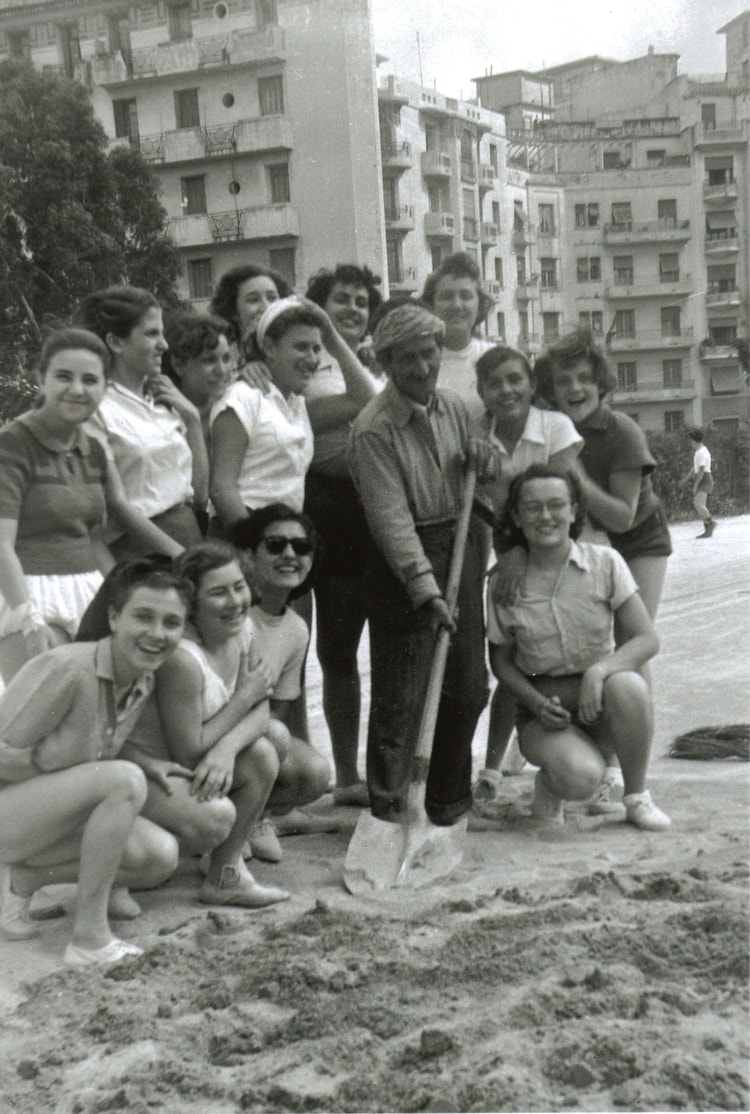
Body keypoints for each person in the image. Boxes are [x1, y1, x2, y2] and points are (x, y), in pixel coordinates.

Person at [349, 303, 499, 826]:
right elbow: (390, 521)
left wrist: (485, 456)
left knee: (469, 686)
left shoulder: (456, 407)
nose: (420, 367)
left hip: (460, 550)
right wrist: (424, 589)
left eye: (428, 353)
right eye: (406, 358)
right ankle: (391, 809)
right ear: (387, 363)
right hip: (402, 564)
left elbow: (485, 465)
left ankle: (446, 804)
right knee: (403, 699)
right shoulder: (374, 429)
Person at [0, 559, 191, 966]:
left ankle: (21, 882)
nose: (158, 634)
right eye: (143, 617)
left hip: (41, 819)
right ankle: (88, 939)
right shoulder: (69, 668)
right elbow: (2, 753)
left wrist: (133, 764)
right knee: (123, 781)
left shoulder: (142, 677)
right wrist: (73, 784)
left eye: (172, 623)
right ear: (114, 617)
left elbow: (91, 744)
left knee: (157, 856)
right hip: (9, 814)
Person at [486, 464, 670, 832]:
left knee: (629, 683)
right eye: (532, 507)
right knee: (581, 780)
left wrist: (600, 671)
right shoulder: (503, 584)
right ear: (517, 517)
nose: (545, 516)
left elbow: (646, 639)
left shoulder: (605, 563)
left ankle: (635, 798)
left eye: (557, 505)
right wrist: (536, 703)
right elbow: (501, 663)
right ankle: (551, 783)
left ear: (573, 512)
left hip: (599, 698)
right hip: (543, 709)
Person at [535, 329, 672, 814]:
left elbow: (622, 516)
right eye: (562, 380)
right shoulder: (548, 423)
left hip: (637, 539)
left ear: (601, 383)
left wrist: (574, 472)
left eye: (583, 378)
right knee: (588, 644)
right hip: (590, 539)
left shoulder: (621, 432)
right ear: (549, 389)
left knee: (630, 647)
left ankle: (625, 772)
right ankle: (592, 754)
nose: (574, 388)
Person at [0, 328, 185, 684]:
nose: (77, 389)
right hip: (28, 593)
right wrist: (29, 621)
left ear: (103, 387)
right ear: (41, 379)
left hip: (87, 591)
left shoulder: (94, 450)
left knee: (100, 714)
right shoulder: (11, 445)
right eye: (63, 377)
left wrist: (119, 597)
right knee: (44, 716)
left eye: (90, 379)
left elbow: (94, 539)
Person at [125, 542, 291, 908]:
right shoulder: (182, 659)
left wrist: (228, 748)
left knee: (272, 741)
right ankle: (207, 857)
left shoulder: (242, 630)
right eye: (218, 592)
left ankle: (223, 869)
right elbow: (187, 750)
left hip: (197, 760)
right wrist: (244, 699)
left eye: (239, 586)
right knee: (222, 809)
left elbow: (261, 709)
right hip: (152, 772)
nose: (234, 601)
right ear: (192, 604)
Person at [471, 345, 583, 803]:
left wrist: (517, 551)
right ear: (481, 392)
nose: (506, 389)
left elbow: (554, 501)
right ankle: (492, 767)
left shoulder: (555, 427)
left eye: (515, 379)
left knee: (571, 658)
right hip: (506, 556)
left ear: (532, 384)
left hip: (557, 553)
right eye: (494, 383)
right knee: (510, 664)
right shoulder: (477, 433)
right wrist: (508, 553)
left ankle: (601, 766)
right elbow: (486, 503)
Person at [303, 264, 383, 806]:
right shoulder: (305, 364)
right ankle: (333, 773)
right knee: (327, 654)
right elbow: (349, 408)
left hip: (374, 514)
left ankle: (373, 771)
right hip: (320, 511)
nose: (353, 308)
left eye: (361, 301)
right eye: (341, 300)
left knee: (378, 650)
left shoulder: (378, 364)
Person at [77, 286, 207, 557]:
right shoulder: (96, 411)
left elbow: (199, 494)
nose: (164, 344)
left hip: (190, 535)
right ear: (116, 342)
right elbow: (115, 506)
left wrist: (193, 420)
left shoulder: (163, 400)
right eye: (151, 334)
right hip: (143, 551)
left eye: (161, 332)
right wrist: (179, 556)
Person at [420, 251, 495, 420]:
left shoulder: (493, 357)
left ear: (480, 304)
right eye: (447, 297)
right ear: (431, 304)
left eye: (466, 296)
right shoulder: (417, 359)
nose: (456, 305)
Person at [164, 313, 235, 446]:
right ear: (179, 365)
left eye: (226, 358)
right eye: (209, 360)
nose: (222, 370)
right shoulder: (167, 419)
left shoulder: (233, 407)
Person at [209, 263, 292, 371]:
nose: (266, 307)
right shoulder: (223, 356)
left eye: (272, 298)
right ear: (234, 311)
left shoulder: (292, 348)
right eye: (253, 300)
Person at [683, 428, 716, 538]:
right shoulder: (701, 451)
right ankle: (708, 530)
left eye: (691, 440)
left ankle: (711, 522)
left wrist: (695, 485)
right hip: (703, 478)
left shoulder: (701, 453)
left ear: (694, 440)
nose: (690, 443)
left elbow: (701, 470)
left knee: (698, 504)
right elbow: (694, 469)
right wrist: (685, 480)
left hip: (705, 479)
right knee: (700, 505)